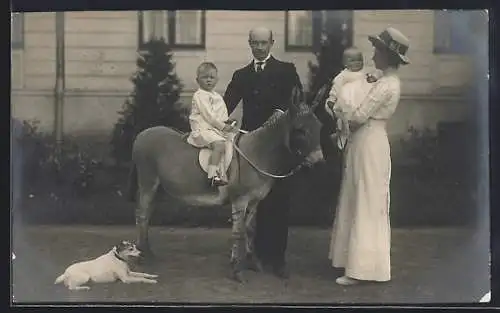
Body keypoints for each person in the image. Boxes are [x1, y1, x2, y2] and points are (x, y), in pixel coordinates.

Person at [327, 27, 411, 286]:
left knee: (367, 200)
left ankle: (362, 269)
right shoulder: (380, 80)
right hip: (362, 141)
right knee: (355, 195)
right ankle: (348, 259)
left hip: (371, 141)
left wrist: (339, 111)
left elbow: (359, 116)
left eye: (377, 51)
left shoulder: (387, 85)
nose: (373, 55)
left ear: (387, 55)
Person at [223, 26, 301, 278]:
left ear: (272, 43)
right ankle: (250, 254)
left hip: (277, 147)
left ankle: (277, 259)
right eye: (254, 43)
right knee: (250, 201)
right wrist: (215, 122)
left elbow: (298, 103)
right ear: (249, 44)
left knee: (277, 199)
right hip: (251, 149)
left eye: (263, 43)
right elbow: (224, 107)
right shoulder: (241, 75)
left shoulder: (286, 71)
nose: (259, 47)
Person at [187, 62, 238, 187]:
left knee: (232, 143)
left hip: (214, 129)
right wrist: (222, 126)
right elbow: (209, 116)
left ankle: (225, 173)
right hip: (203, 129)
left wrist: (228, 123)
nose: (209, 80)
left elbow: (222, 114)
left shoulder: (217, 96)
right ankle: (212, 175)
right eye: (205, 77)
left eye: (212, 77)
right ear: (197, 80)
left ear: (217, 80)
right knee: (219, 145)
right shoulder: (200, 96)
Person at [325, 47, 383, 150]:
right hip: (347, 104)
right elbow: (336, 89)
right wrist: (332, 99)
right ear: (345, 63)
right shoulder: (342, 76)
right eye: (352, 60)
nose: (357, 63)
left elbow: (370, 82)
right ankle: (341, 139)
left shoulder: (364, 74)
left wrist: (373, 78)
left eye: (360, 60)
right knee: (344, 124)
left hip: (361, 104)